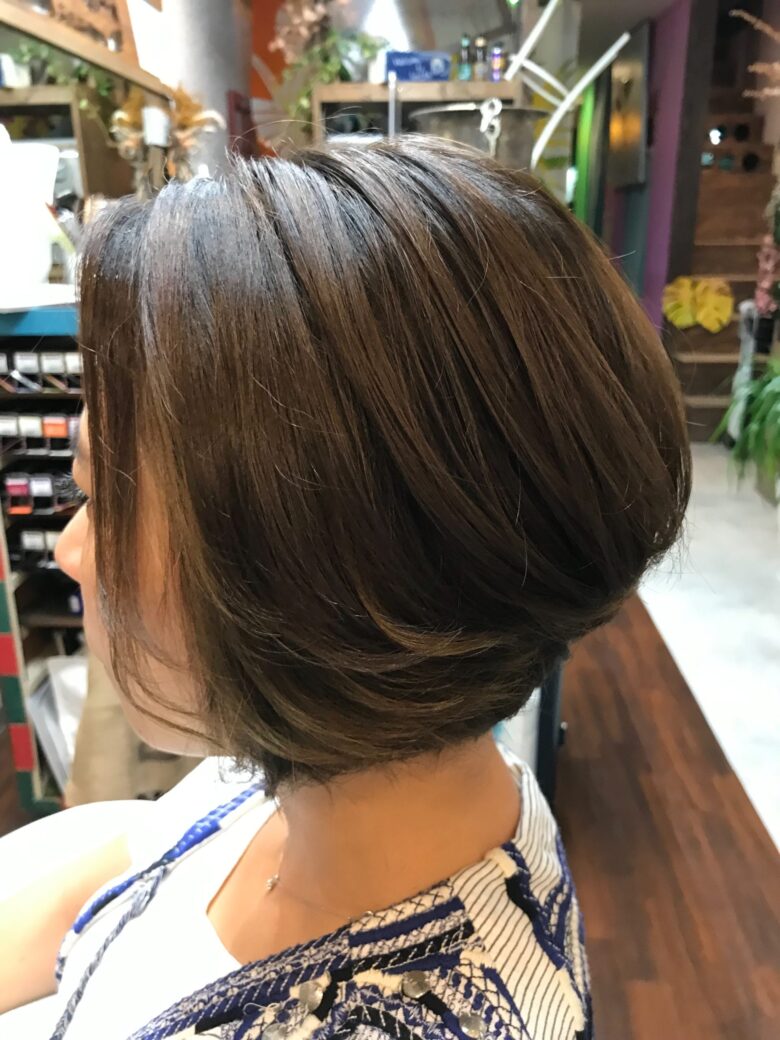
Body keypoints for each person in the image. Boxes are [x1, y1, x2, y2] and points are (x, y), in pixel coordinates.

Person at [0, 137, 690, 1039]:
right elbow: (137, 862)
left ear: (306, 572)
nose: (71, 549)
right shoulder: (354, 773)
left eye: (104, 498)